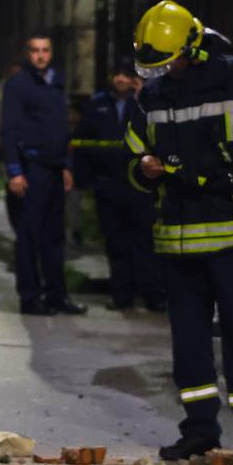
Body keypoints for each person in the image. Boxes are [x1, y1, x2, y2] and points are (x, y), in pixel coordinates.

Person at [122, 0, 233, 462]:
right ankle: (199, 429)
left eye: (169, 61)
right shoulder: (151, 95)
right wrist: (145, 170)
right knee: (190, 344)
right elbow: (133, 160)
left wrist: (225, 162)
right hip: (177, 242)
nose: (163, 72)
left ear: (193, 47)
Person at [0, 31, 84, 315]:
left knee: (54, 237)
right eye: (35, 50)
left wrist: (66, 167)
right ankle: (30, 297)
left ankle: (56, 296)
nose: (40, 55)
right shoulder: (19, 84)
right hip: (30, 167)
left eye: (45, 50)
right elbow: (8, 130)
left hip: (53, 168)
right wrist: (14, 171)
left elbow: (61, 129)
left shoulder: (55, 83)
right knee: (29, 236)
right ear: (27, 53)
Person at [76, 61, 163, 311]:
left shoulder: (144, 102)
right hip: (108, 184)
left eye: (127, 76)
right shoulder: (98, 105)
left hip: (140, 187)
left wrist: (141, 96)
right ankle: (122, 296)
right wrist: (87, 178)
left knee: (145, 242)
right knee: (116, 243)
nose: (121, 80)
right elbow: (84, 141)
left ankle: (153, 296)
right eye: (118, 75)